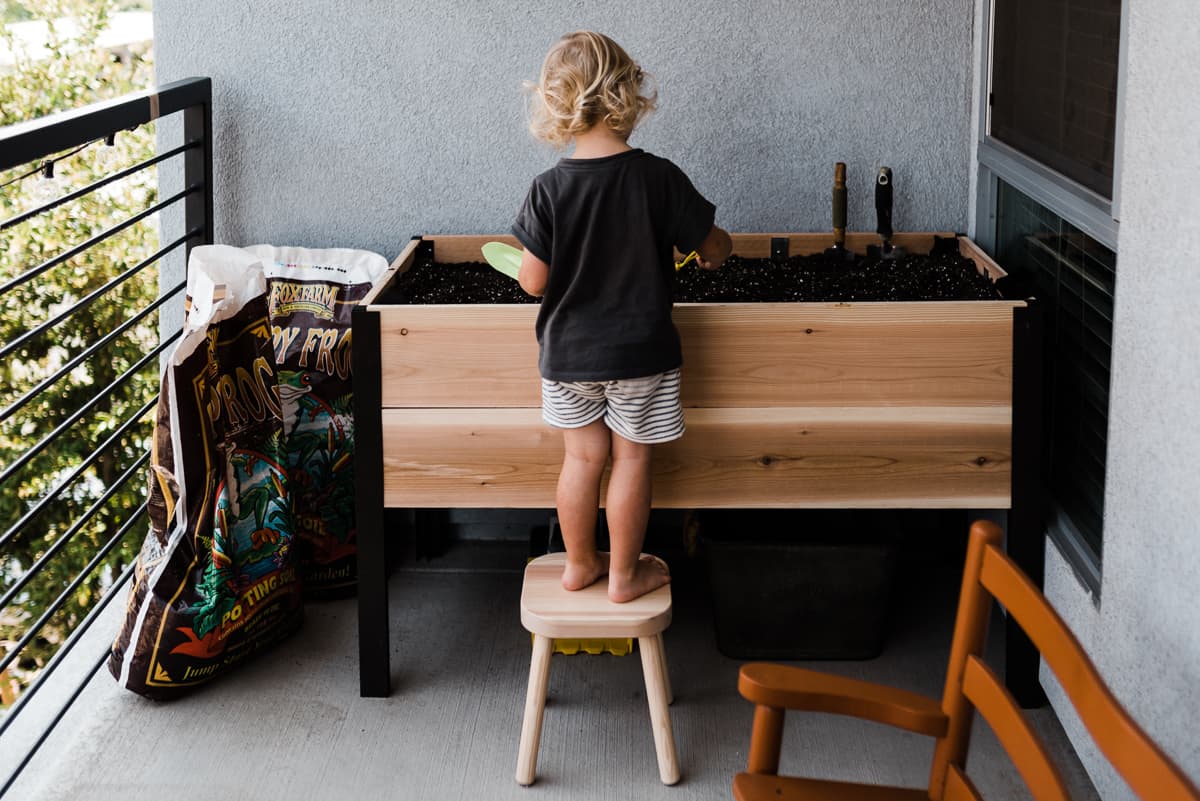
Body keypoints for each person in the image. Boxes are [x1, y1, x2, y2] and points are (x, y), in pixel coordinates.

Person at [511, 30, 732, 603]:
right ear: (627, 96)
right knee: (632, 458)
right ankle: (624, 576)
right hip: (641, 354)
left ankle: (580, 564)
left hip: (568, 358)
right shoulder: (659, 177)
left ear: (559, 105)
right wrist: (713, 252)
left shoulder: (548, 189)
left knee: (583, 459)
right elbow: (713, 247)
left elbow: (533, 280)